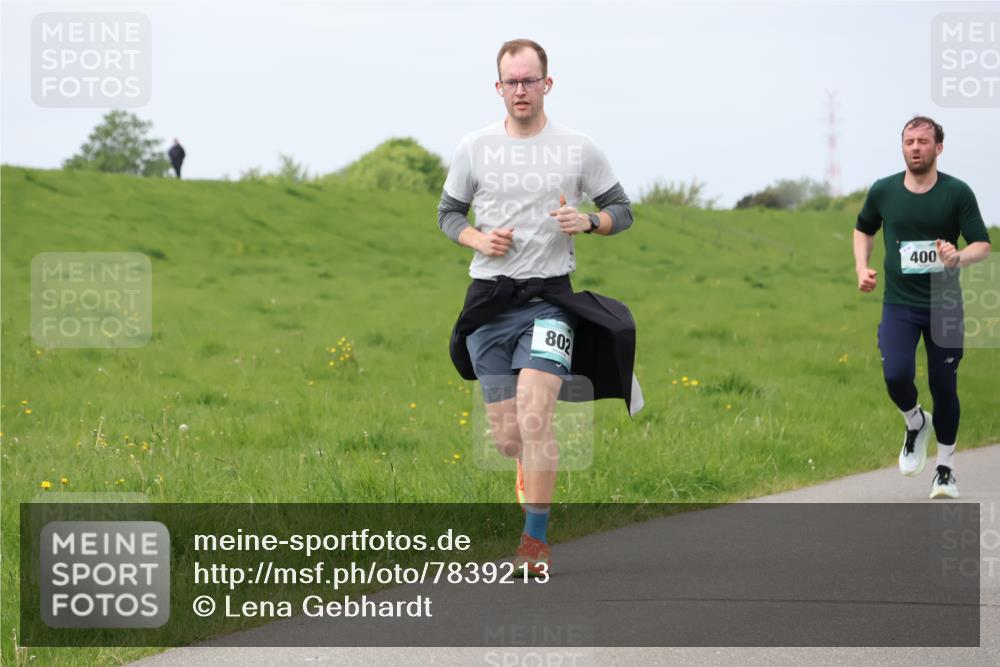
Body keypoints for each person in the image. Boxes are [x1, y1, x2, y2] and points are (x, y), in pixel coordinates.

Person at [439, 39, 640, 575]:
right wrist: (478, 240)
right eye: (512, 81)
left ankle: (534, 540)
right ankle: (528, 473)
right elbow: (448, 214)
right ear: (498, 87)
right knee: (509, 437)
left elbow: (621, 209)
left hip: (550, 299)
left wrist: (590, 221)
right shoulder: (473, 147)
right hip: (489, 300)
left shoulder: (578, 147)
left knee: (535, 414)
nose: (521, 89)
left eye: (530, 80)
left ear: (546, 84)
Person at [854, 115, 991, 499]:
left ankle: (945, 468)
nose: (915, 147)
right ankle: (916, 423)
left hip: (944, 304)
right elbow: (864, 227)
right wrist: (861, 267)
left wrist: (957, 258)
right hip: (898, 303)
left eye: (923, 141)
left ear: (939, 148)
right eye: (909, 141)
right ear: (902, 146)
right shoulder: (884, 191)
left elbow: (982, 244)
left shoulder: (957, 193)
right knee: (896, 375)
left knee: (943, 386)